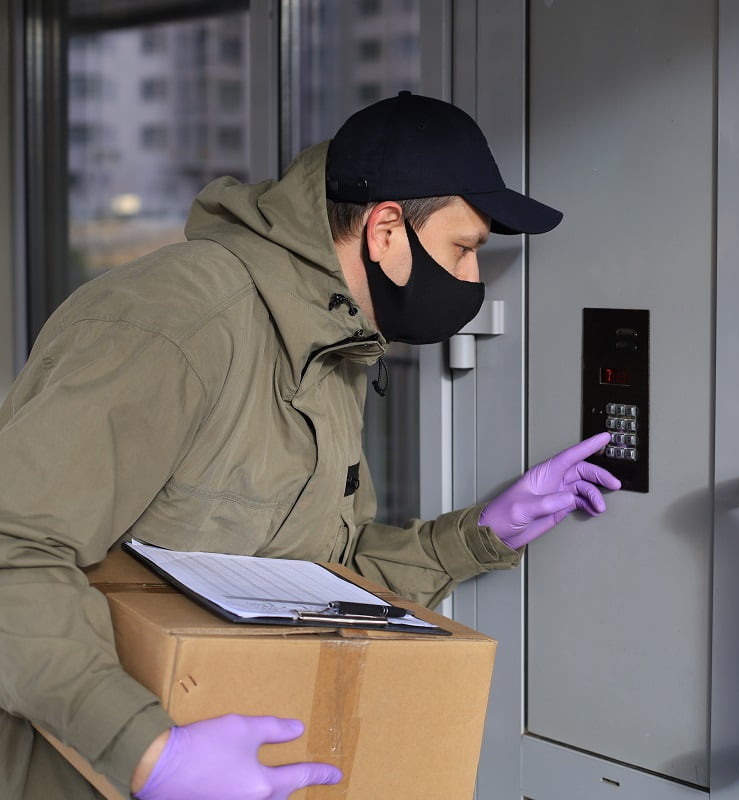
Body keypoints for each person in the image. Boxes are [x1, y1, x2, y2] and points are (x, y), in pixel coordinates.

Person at [0, 91, 620, 799]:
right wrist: (147, 752)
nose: (473, 281)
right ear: (387, 229)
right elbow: (12, 547)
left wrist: (479, 534)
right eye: (465, 250)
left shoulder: (330, 349)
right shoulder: (185, 317)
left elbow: (316, 579)